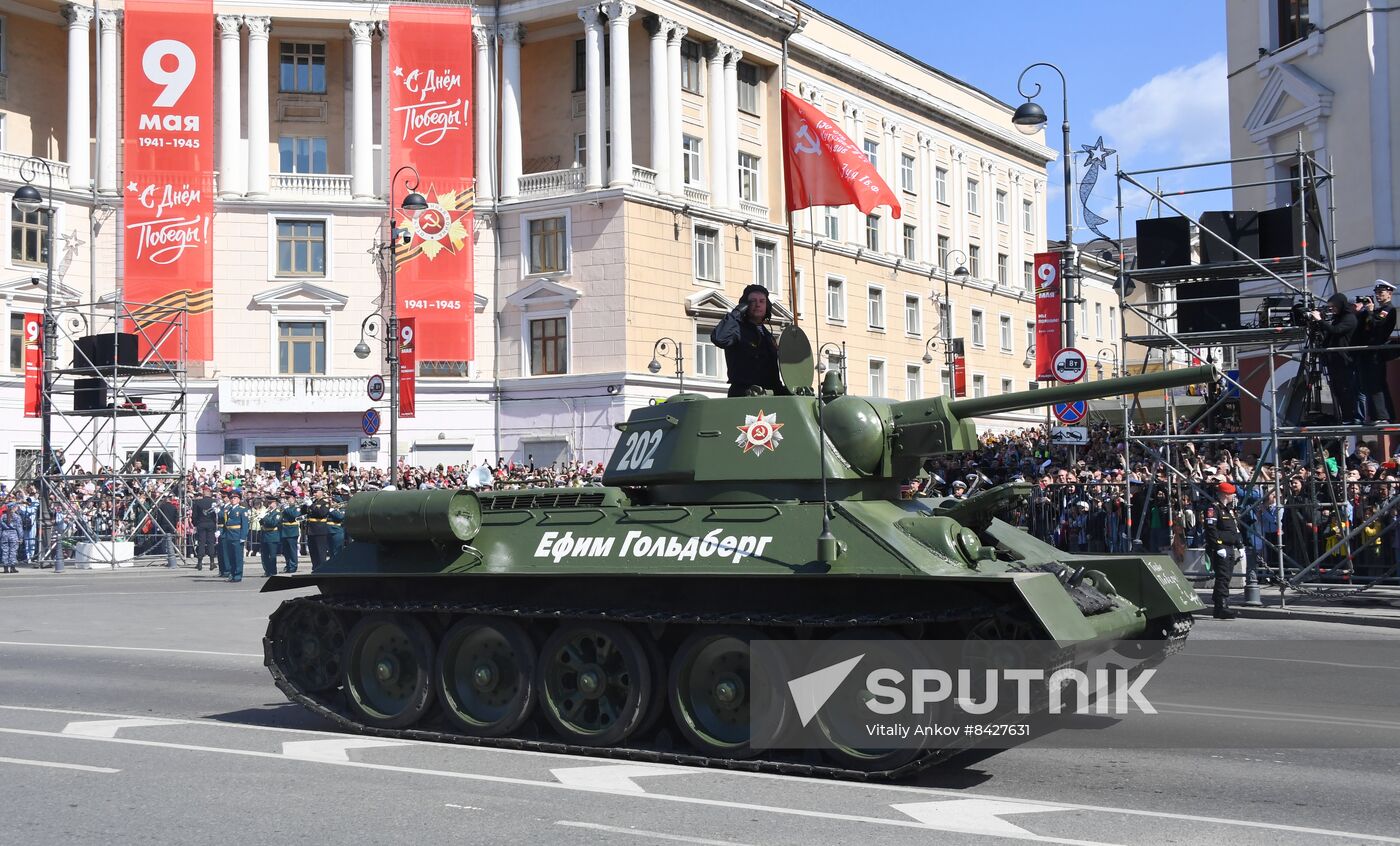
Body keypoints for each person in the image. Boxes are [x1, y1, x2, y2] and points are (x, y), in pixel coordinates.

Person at [709, 284, 787, 397]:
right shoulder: (737, 329)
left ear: (767, 306)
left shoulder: (768, 336)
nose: (758, 304)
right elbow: (719, 338)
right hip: (745, 394)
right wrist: (737, 312)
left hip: (769, 394)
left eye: (762, 301)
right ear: (745, 305)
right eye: (752, 301)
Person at [1310, 292, 1361, 424]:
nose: (1331, 309)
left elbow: (1336, 331)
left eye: (1333, 306)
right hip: (1334, 361)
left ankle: (1350, 417)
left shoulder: (1349, 318)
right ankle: (1344, 417)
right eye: (1330, 306)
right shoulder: (1337, 318)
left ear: (1341, 305)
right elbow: (1328, 335)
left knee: (1346, 390)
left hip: (1344, 361)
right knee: (1338, 391)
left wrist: (1320, 321)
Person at [1355, 280, 1397, 423]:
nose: (1378, 296)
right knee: (1370, 385)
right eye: (1376, 293)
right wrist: (1362, 310)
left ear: (1389, 294)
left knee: (1376, 385)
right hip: (1369, 352)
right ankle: (1379, 416)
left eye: (1381, 293)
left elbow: (1377, 326)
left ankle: (1382, 416)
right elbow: (1365, 328)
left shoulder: (1388, 309)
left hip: (1376, 351)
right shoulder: (1378, 311)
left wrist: (1371, 312)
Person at [1203, 481, 1245, 620]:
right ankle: (1221, 605)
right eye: (1232, 493)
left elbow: (1233, 530)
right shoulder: (1213, 509)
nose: (1234, 496)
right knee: (1222, 577)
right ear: (1225, 494)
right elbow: (1211, 529)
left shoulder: (1228, 510)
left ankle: (1219, 606)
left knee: (1226, 577)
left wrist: (1240, 546)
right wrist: (1218, 546)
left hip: (1230, 547)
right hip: (1221, 548)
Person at [218, 490, 250, 583]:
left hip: (237, 535)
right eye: (231, 498)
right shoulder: (228, 510)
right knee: (231, 557)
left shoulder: (242, 510)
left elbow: (245, 525)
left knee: (237, 557)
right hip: (229, 535)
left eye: (235, 498)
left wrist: (243, 537)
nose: (233, 500)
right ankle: (232, 574)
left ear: (239, 499)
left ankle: (238, 575)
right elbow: (225, 523)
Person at [191, 484, 219, 571]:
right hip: (211, 524)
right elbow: (216, 515)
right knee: (211, 542)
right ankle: (212, 562)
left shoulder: (197, 502)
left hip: (201, 524)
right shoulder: (214, 502)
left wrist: (195, 524)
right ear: (210, 494)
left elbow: (194, 515)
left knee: (201, 543)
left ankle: (199, 563)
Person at [305, 490, 331, 571]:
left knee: (321, 552)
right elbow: (305, 513)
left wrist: (311, 505)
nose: (314, 494)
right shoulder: (314, 502)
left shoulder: (325, 503)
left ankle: (322, 569)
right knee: (313, 552)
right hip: (311, 530)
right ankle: (315, 568)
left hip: (320, 530)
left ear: (321, 493)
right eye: (313, 493)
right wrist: (305, 505)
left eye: (316, 492)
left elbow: (322, 513)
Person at [279, 494, 302, 573]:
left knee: (292, 550)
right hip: (284, 531)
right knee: (286, 551)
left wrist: (286, 509)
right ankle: (288, 565)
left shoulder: (297, 508)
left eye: (289, 498)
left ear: (294, 499)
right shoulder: (285, 508)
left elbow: (294, 515)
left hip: (292, 531)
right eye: (287, 498)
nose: (288, 500)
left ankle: (293, 566)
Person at [259, 501, 281, 578]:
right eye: (268, 503)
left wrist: (264, 517)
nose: (269, 504)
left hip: (272, 536)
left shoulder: (277, 513)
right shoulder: (267, 512)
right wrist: (261, 518)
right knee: (264, 555)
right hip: (265, 535)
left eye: (271, 503)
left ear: (275, 504)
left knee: (272, 555)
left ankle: (273, 571)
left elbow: (273, 523)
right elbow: (261, 522)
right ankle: (267, 571)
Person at [0, 498, 22, 573]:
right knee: (13, 550)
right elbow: (19, 528)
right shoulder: (16, 517)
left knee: (5, 551)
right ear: (14, 507)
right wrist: (21, 537)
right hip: (13, 534)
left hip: (4, 534)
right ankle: (12, 567)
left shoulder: (3, 516)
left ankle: (5, 568)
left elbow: (0, 527)